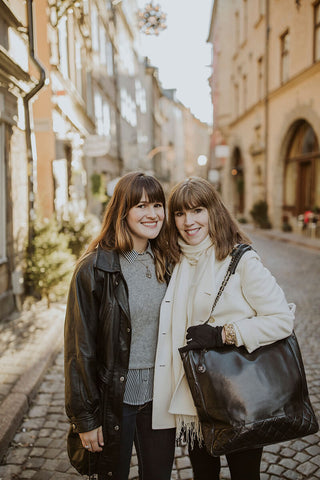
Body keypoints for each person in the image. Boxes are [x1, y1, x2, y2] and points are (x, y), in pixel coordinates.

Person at [152, 177, 295, 480]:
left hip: (238, 396)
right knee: (204, 474)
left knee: (245, 475)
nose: (188, 222)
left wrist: (222, 334)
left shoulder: (241, 260)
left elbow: (282, 319)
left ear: (213, 212)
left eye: (197, 211)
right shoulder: (174, 262)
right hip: (195, 398)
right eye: (179, 213)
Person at [64, 172, 176, 480]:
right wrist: (85, 419)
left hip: (160, 400)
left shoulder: (168, 260)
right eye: (141, 206)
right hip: (115, 401)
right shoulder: (94, 268)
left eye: (157, 205)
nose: (152, 214)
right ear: (122, 211)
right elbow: (79, 349)